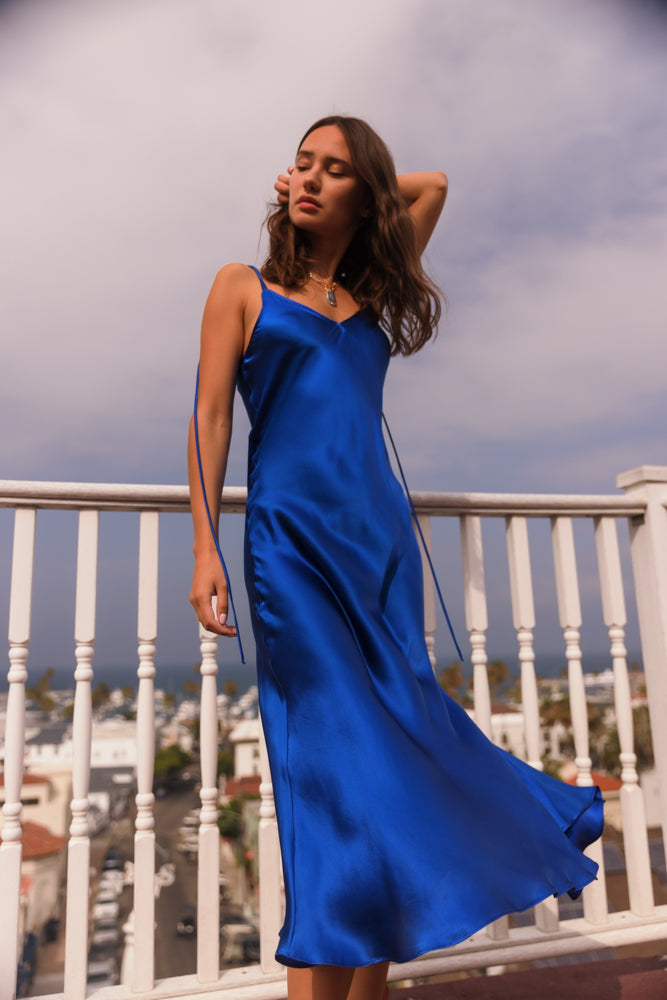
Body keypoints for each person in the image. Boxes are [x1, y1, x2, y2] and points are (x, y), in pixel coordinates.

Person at [188, 116, 603, 1000]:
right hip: (290, 554)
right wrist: (204, 547)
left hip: (377, 548)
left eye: (330, 171)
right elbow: (210, 420)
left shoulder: (371, 297)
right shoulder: (243, 288)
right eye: (299, 164)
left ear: (362, 195)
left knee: (391, 766)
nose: (304, 179)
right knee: (329, 776)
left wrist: (368, 187)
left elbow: (434, 185)